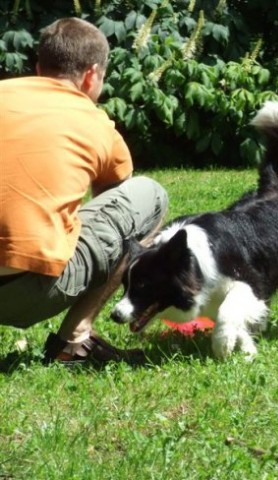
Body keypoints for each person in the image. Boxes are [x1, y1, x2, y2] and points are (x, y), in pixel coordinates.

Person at [0, 17, 168, 365]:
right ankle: (73, 341)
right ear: (91, 75)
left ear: (38, 68)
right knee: (150, 195)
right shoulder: (94, 122)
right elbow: (114, 200)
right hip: (25, 291)